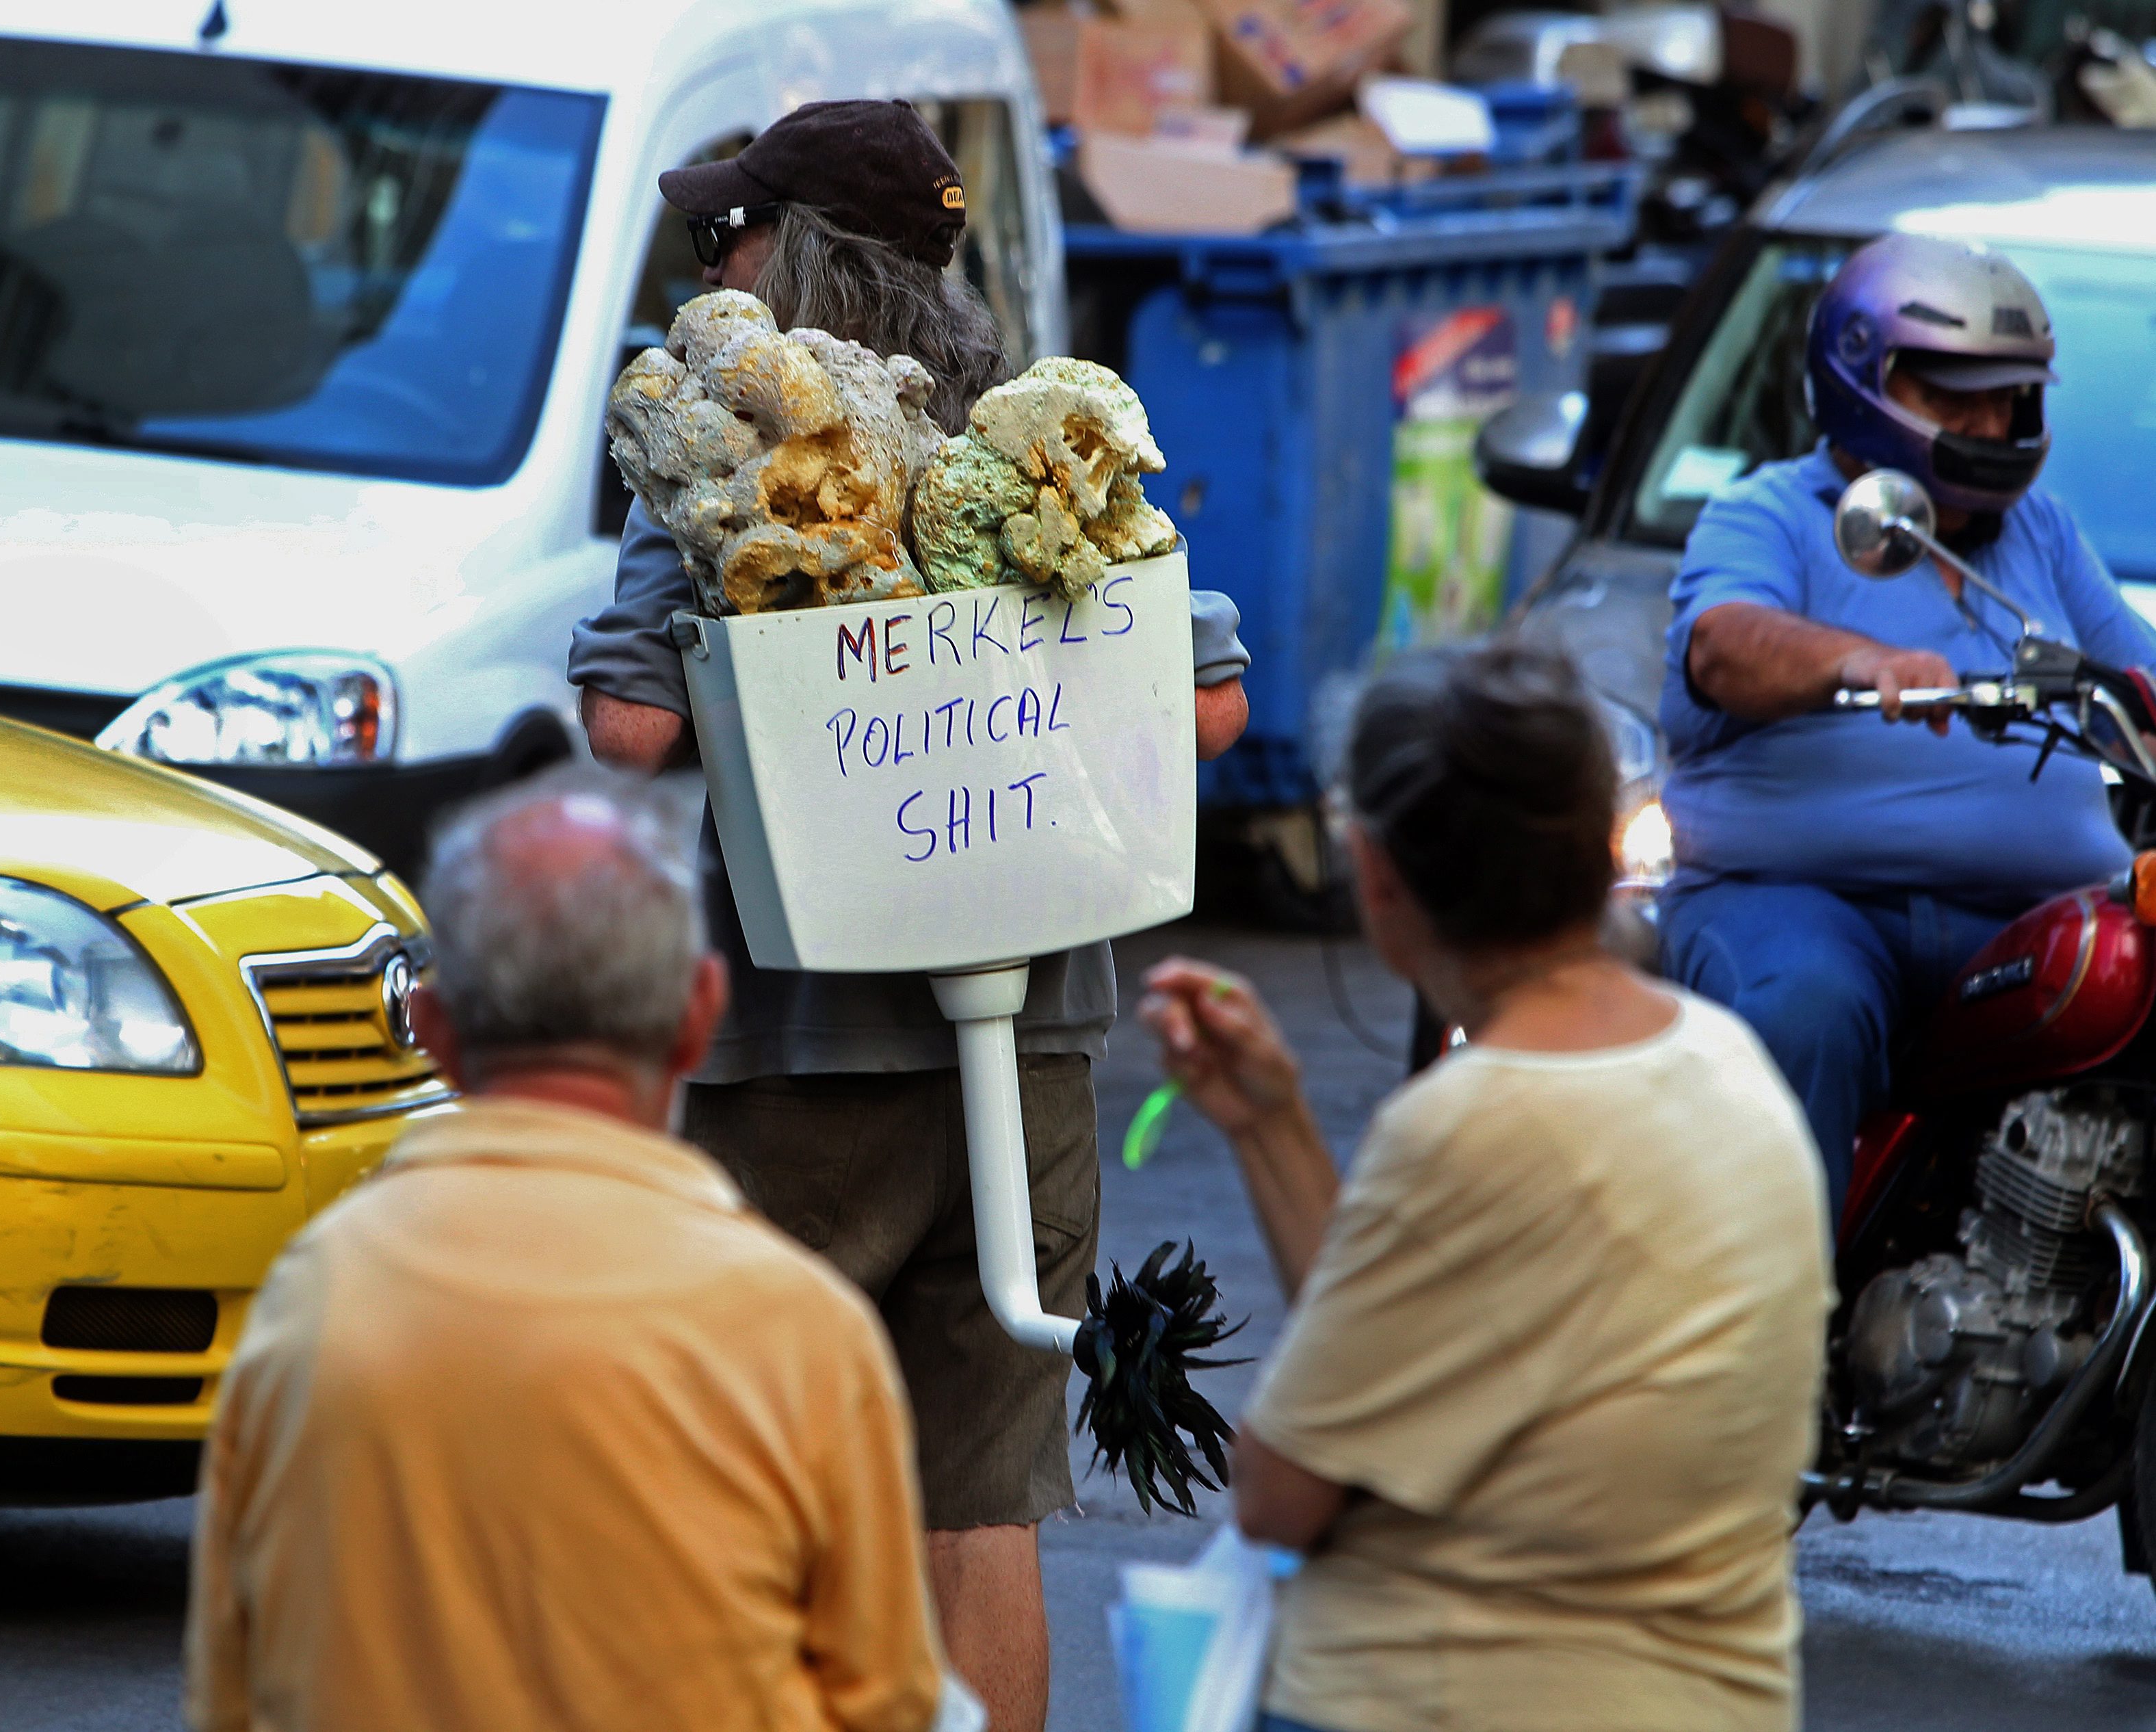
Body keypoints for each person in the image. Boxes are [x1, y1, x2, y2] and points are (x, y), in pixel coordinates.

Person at [568, 99, 1250, 1732]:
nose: (707, 263)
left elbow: (630, 738)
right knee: (979, 1491)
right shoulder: (1042, 451)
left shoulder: (751, 471)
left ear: (795, 257)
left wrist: (742, 625)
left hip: (799, 1062)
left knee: (750, 1475)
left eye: (724, 234)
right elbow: (1210, 704)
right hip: (1030, 1044)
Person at [183, 765, 968, 1732]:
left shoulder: (308, 1303)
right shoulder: (798, 1332)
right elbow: (888, 1704)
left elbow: (230, 1690)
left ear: (431, 1030)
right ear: (698, 1014)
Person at [1140, 642, 1830, 1732]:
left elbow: (1280, 1494)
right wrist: (1271, 1124)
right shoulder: (1722, 1058)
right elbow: (1400, 1349)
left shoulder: (1476, 1123)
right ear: (1604, 846)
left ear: (1374, 872)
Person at [1658, 231, 2156, 1213]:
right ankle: (1776, 1343)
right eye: (1953, 392)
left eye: (2010, 395)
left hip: (2022, 911)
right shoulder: (1770, 514)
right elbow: (1723, 644)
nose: (1991, 419)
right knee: (1810, 1008)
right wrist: (1855, 657)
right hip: (1806, 901)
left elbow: (2135, 666)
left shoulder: (2037, 532)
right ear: (1861, 379)